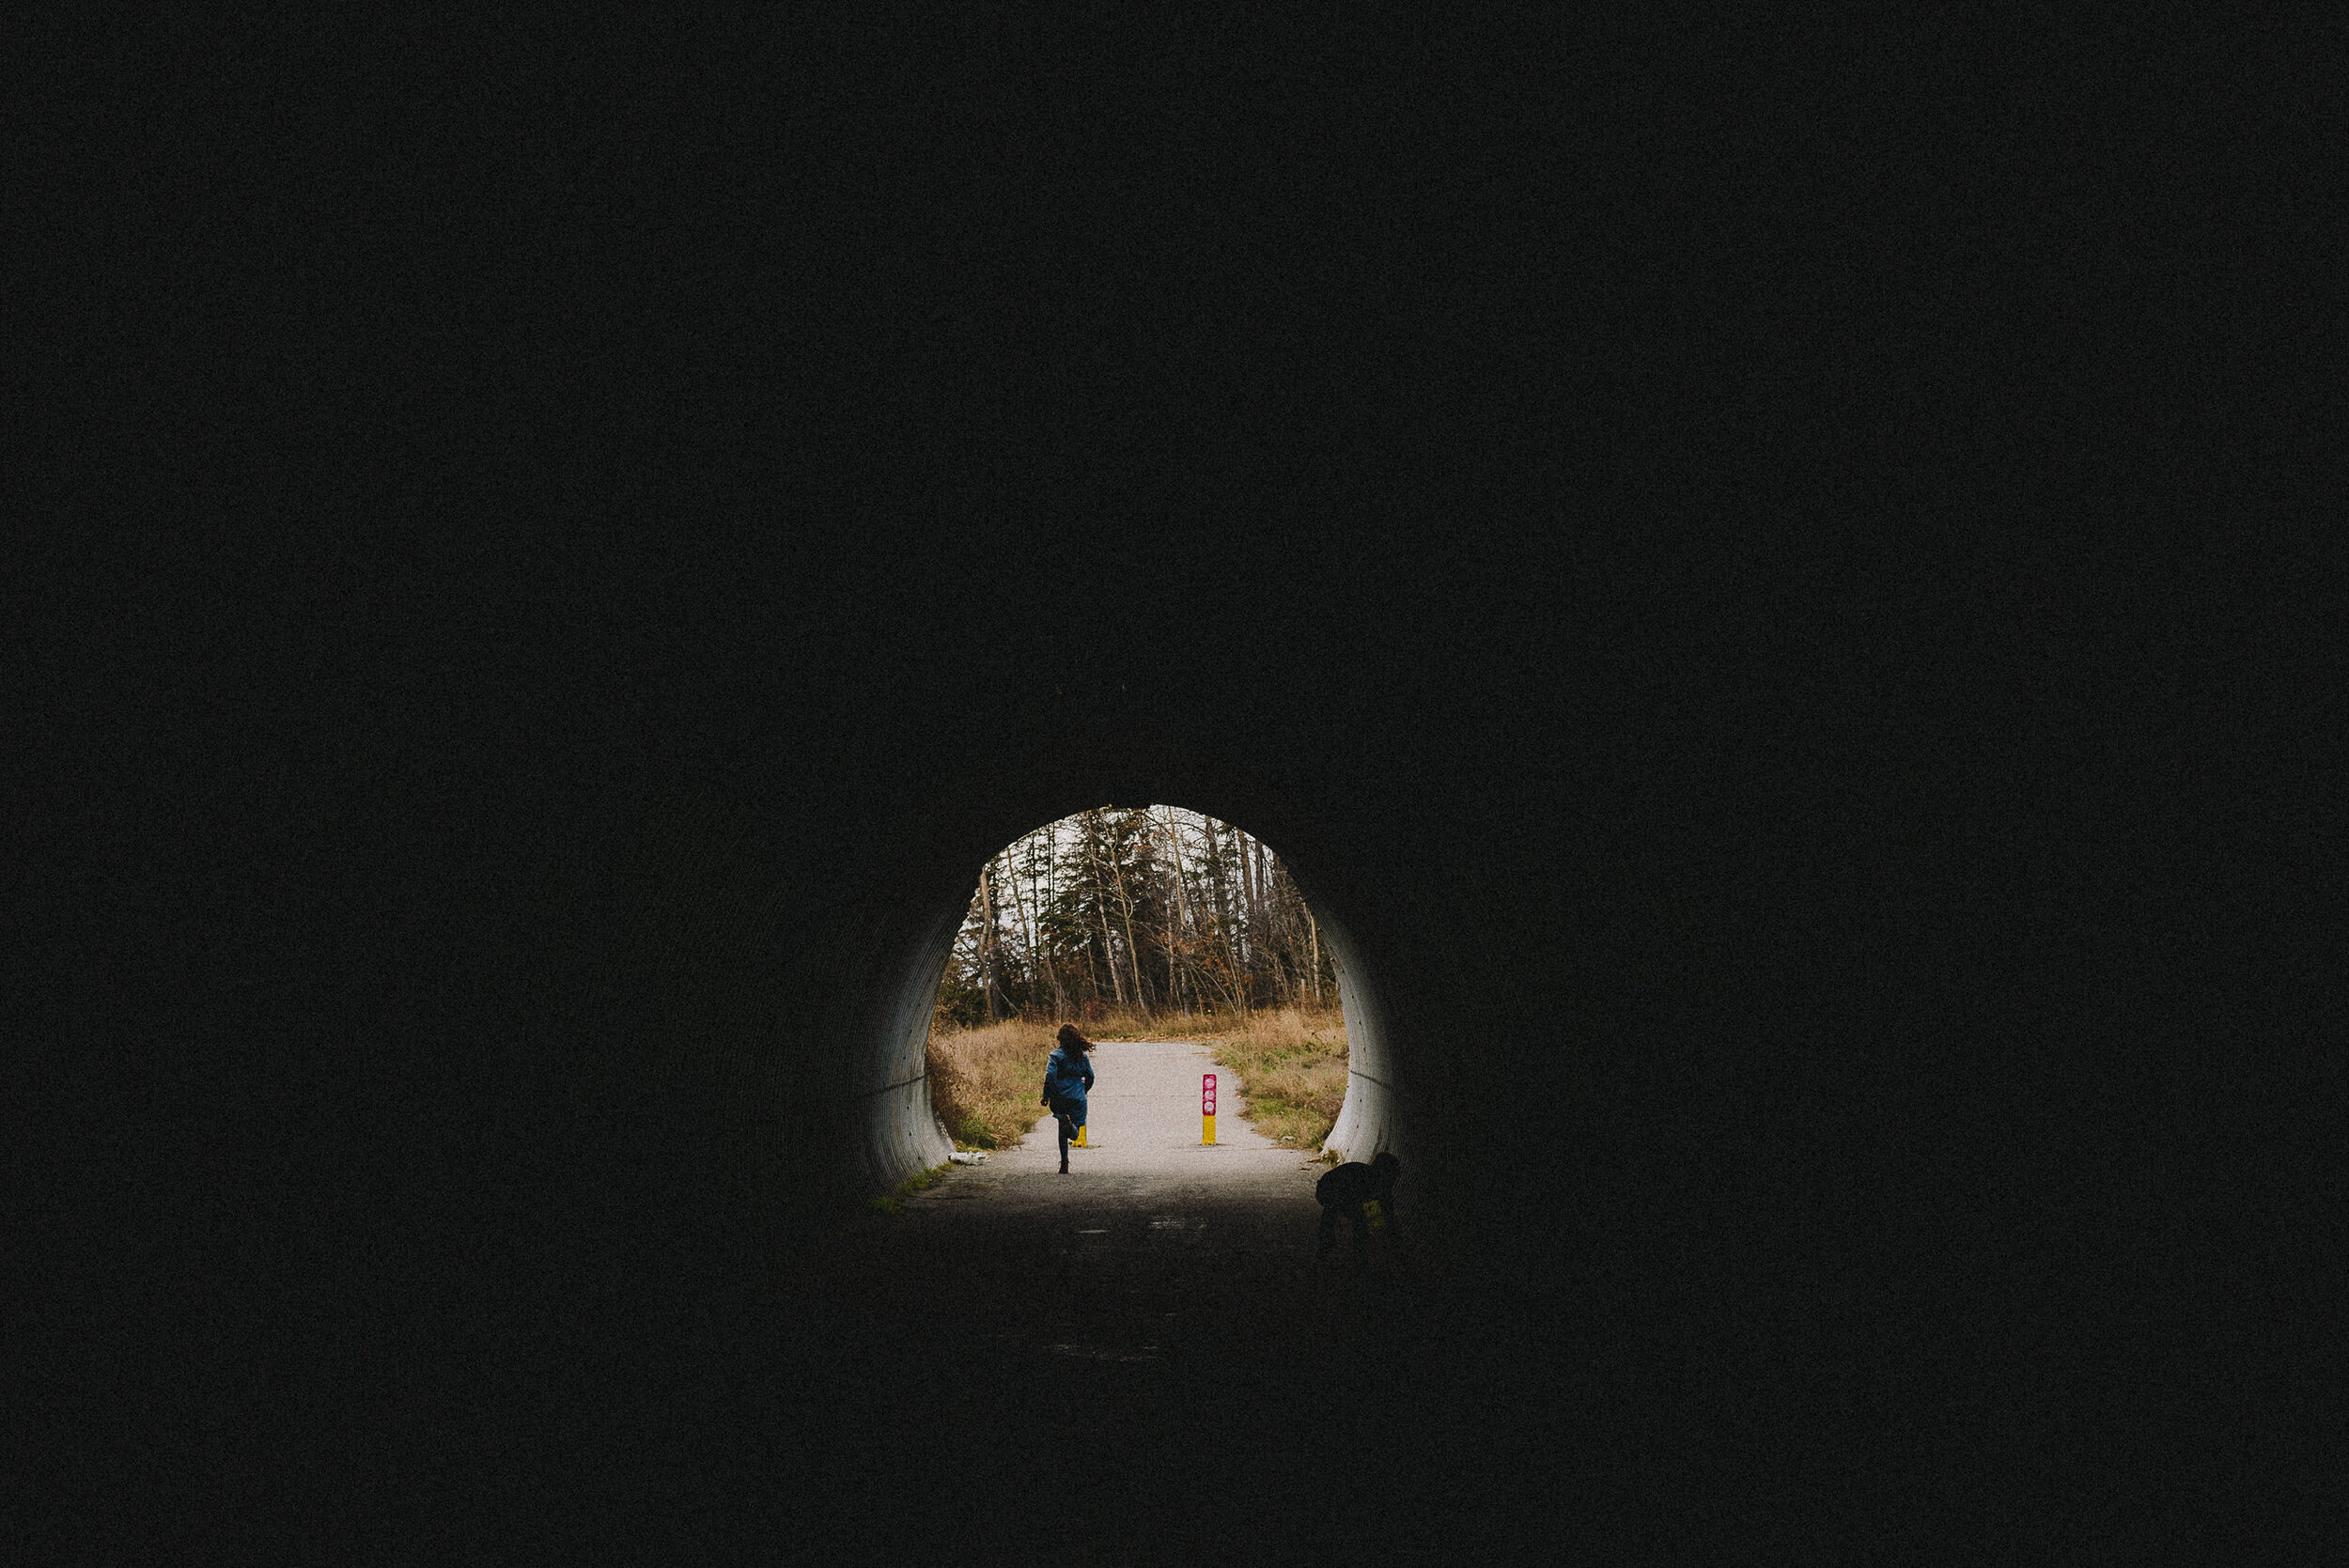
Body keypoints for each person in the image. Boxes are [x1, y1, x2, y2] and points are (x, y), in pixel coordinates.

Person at [1315, 1151, 1401, 1255]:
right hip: (1327, 1189)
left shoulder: (1377, 1182)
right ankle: (1357, 1254)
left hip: (1329, 1187)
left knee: (1345, 1212)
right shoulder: (1366, 1179)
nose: (1394, 1180)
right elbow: (1387, 1216)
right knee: (1356, 1219)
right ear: (1384, 1172)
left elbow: (1389, 1216)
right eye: (1393, 1176)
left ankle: (1328, 1243)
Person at [1039, 1023, 1097, 1174]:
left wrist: (1046, 1095)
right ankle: (1070, 1125)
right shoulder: (1082, 1057)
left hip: (1059, 1097)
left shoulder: (1055, 1056)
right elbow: (1090, 1076)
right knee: (1075, 1133)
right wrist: (1083, 1091)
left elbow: (1050, 1076)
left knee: (1061, 1130)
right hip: (1077, 1097)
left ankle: (1064, 1162)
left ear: (1060, 1039)